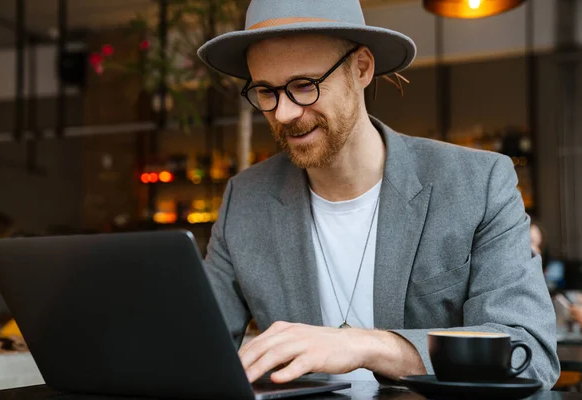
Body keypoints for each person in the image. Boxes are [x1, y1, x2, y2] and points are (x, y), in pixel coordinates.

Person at [197, 0, 559, 388]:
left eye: (304, 86)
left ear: (362, 68)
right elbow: (192, 347)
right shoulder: (245, 199)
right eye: (266, 92)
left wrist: (366, 345)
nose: (284, 113)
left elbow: (530, 353)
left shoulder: (478, 183)